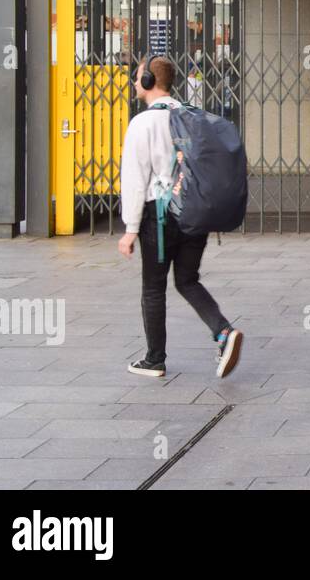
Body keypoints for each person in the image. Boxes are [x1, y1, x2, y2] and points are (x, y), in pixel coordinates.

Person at [117, 54, 243, 379]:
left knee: (153, 288)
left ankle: (154, 359)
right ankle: (224, 332)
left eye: (137, 76)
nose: (134, 82)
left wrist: (130, 229)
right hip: (194, 210)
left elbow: (134, 179)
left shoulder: (142, 123)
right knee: (187, 280)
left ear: (148, 82)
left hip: (157, 217)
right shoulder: (190, 115)